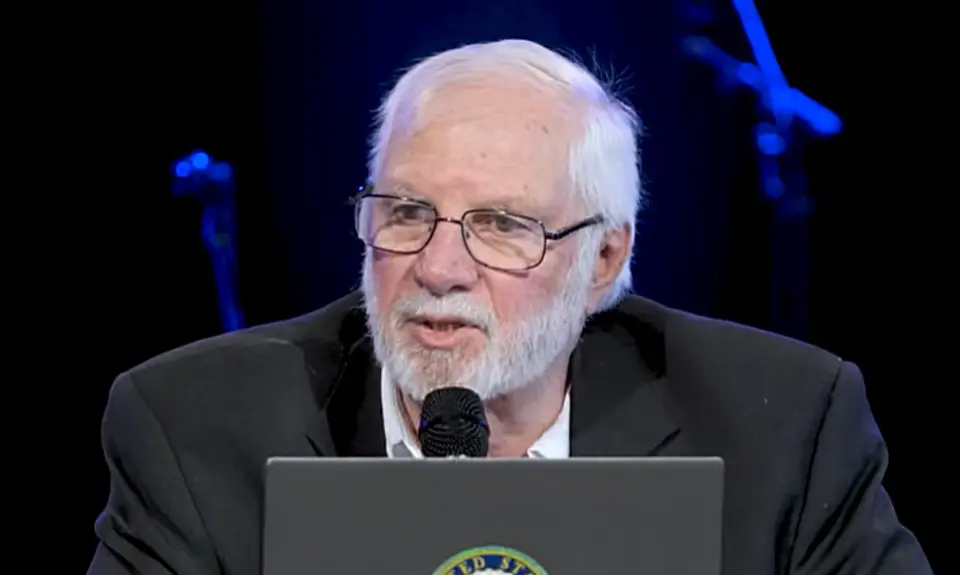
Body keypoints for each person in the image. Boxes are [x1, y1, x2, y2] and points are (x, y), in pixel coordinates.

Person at [88, 39, 931, 575]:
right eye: (407, 213)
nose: (440, 266)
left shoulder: (781, 429)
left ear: (603, 259)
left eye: (501, 226)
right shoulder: (191, 429)